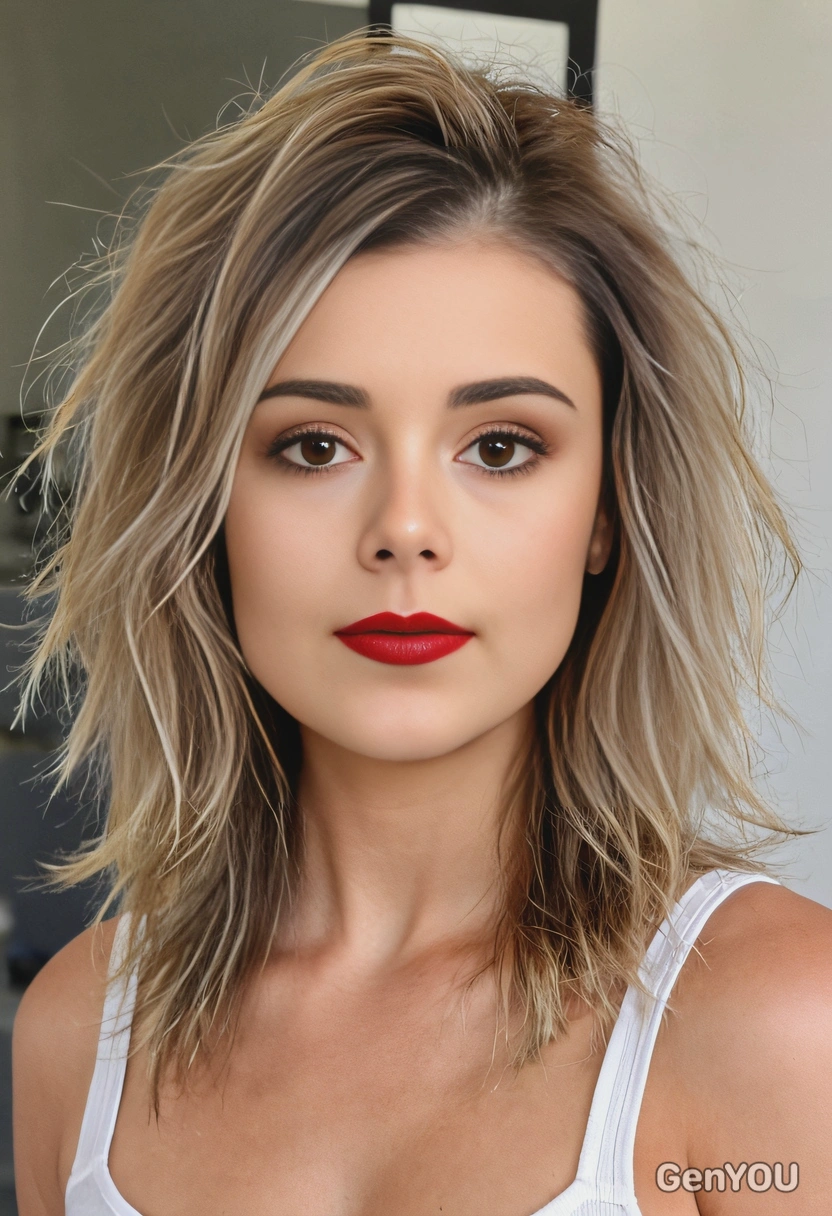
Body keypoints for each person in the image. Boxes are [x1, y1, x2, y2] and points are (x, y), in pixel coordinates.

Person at [11, 28, 832, 1216]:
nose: (404, 530)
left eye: (499, 447)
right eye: (312, 446)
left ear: (606, 511)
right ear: (203, 510)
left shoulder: (776, 1019)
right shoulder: (78, 1034)